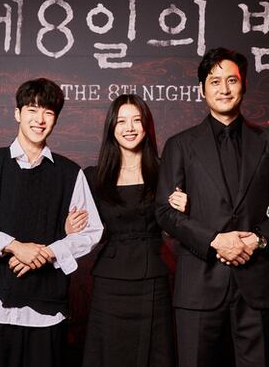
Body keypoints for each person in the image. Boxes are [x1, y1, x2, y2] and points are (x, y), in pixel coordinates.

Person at [155, 47, 269, 367]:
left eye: (232, 80)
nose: (224, 89)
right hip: (199, 285)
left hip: (258, 285)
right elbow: (165, 213)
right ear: (202, 89)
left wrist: (256, 240)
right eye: (214, 81)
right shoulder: (179, 145)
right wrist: (215, 240)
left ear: (244, 84)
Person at [0, 77, 103, 367]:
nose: (40, 120)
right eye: (32, 110)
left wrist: (45, 253)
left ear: (56, 119)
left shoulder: (70, 173)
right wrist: (14, 246)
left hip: (46, 307)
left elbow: (91, 231)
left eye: (48, 112)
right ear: (17, 113)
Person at [82, 94, 187, 367]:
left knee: (155, 353)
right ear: (111, 127)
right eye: (121, 121)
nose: (129, 128)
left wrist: (183, 211)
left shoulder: (166, 171)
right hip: (109, 281)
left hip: (153, 276)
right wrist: (73, 227)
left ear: (146, 126)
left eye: (136, 120)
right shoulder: (93, 176)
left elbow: (176, 230)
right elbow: (87, 234)